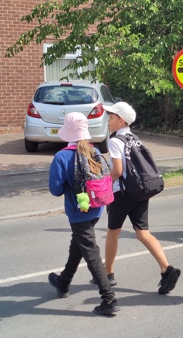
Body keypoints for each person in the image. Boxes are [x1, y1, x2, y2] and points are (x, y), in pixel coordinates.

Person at [102, 101, 181, 294]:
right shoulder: (136, 139)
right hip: (140, 191)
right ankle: (166, 269)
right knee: (143, 233)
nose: (108, 121)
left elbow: (118, 170)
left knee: (113, 231)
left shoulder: (114, 141)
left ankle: (108, 274)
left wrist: (104, 181)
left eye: (111, 118)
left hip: (121, 194)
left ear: (121, 120)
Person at [48, 112, 120, 316]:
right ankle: (63, 283)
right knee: (78, 244)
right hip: (97, 207)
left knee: (91, 253)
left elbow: (55, 189)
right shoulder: (94, 151)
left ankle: (109, 299)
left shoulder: (62, 156)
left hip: (79, 211)